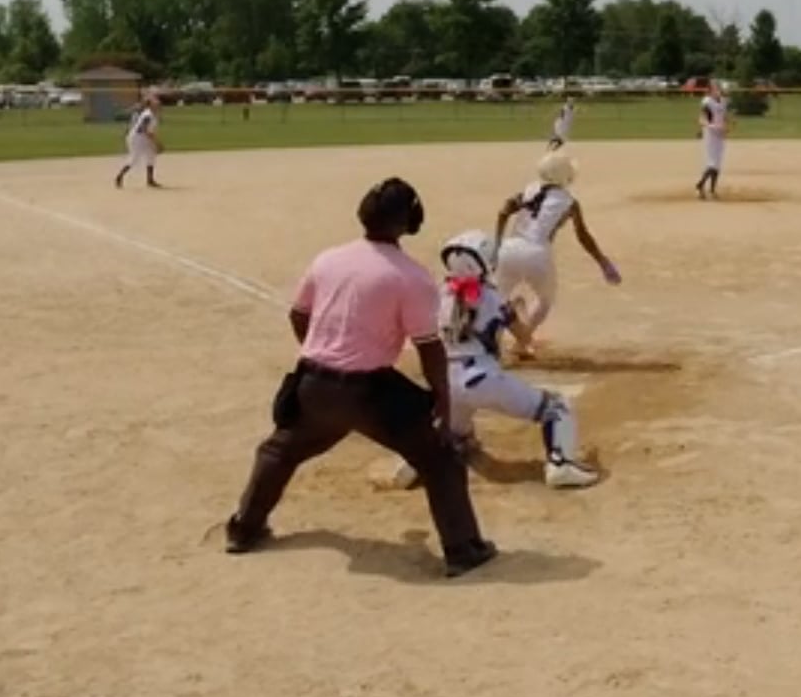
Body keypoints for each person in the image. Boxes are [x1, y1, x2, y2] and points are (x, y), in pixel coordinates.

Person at [224, 177, 497, 578]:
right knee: (439, 460)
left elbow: (298, 315)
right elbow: (428, 346)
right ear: (410, 221)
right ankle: (463, 549)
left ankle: (244, 530)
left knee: (278, 451)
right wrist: (441, 398)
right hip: (370, 392)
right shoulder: (410, 276)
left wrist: (323, 352)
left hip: (313, 385)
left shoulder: (328, 259)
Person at [396, 231, 600, 490]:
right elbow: (524, 336)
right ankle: (561, 465)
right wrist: (519, 310)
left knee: (457, 432)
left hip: (446, 382)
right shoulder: (492, 296)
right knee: (556, 408)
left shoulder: (439, 295)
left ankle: (417, 464)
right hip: (482, 378)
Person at [492, 151, 621, 360]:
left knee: (495, 300)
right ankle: (522, 341)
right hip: (537, 254)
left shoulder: (529, 189)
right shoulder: (569, 202)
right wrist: (603, 262)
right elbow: (583, 236)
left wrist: (497, 245)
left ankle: (491, 344)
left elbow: (503, 211)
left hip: (509, 249)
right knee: (544, 300)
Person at [114, 94, 164, 189]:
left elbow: (148, 131)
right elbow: (144, 130)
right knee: (134, 159)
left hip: (143, 137)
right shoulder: (148, 115)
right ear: (150, 105)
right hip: (137, 138)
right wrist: (157, 143)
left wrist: (154, 143)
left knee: (151, 155)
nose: (158, 104)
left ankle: (150, 180)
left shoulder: (152, 113)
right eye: (155, 102)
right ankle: (119, 176)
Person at [695, 84, 730, 199]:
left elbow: (724, 116)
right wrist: (705, 127)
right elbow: (702, 117)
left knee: (718, 164)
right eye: (715, 89)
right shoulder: (707, 102)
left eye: (719, 88)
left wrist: (725, 127)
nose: (718, 90)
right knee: (712, 163)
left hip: (719, 134)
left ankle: (712, 190)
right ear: (710, 91)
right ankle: (700, 185)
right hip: (710, 134)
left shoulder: (723, 101)